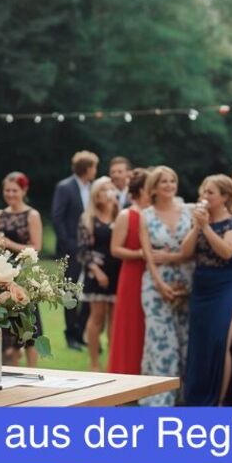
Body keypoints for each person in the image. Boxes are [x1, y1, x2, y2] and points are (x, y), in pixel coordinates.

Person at [181, 175, 232, 406]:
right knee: (201, 343)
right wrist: (197, 226)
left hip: (227, 285)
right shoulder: (198, 221)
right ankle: (197, 398)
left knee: (221, 341)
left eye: (211, 193)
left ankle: (220, 401)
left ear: (225, 197)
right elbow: (186, 251)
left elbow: (227, 252)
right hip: (202, 285)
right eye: (203, 192)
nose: (204, 197)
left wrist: (206, 227)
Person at [138, 167, 193, 406]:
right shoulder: (146, 216)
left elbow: (192, 251)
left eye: (173, 180)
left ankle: (183, 396)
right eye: (164, 182)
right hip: (155, 287)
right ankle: (160, 400)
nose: (169, 185)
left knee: (184, 341)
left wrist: (175, 261)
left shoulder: (189, 212)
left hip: (186, 284)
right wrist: (160, 286)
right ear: (154, 188)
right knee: (162, 342)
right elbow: (148, 256)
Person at [0, 172, 43, 367]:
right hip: (2, 274)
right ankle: (10, 366)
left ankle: (32, 370)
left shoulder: (32, 215)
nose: (10, 194)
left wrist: (9, 243)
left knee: (29, 322)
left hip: (24, 273)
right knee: (6, 324)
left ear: (24, 191)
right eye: (7, 190)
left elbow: (36, 247)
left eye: (15, 190)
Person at [52, 150, 98, 351]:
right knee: (70, 292)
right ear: (87, 168)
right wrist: (68, 243)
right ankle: (70, 335)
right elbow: (57, 217)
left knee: (89, 291)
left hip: (90, 249)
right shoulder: (65, 187)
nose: (96, 171)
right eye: (94, 167)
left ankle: (81, 333)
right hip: (70, 249)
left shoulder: (93, 188)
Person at [107, 168, 150, 375]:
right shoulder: (127, 215)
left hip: (154, 273)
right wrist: (141, 253)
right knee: (130, 325)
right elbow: (115, 249)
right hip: (133, 274)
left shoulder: (153, 214)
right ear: (141, 190)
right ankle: (126, 372)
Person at [77, 176, 120, 371]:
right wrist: (97, 270)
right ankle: (94, 363)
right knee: (97, 316)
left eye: (110, 189)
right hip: (97, 272)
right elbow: (83, 251)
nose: (108, 193)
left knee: (114, 318)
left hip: (117, 271)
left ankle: (113, 361)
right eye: (103, 190)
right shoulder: (88, 218)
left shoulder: (120, 214)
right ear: (96, 195)